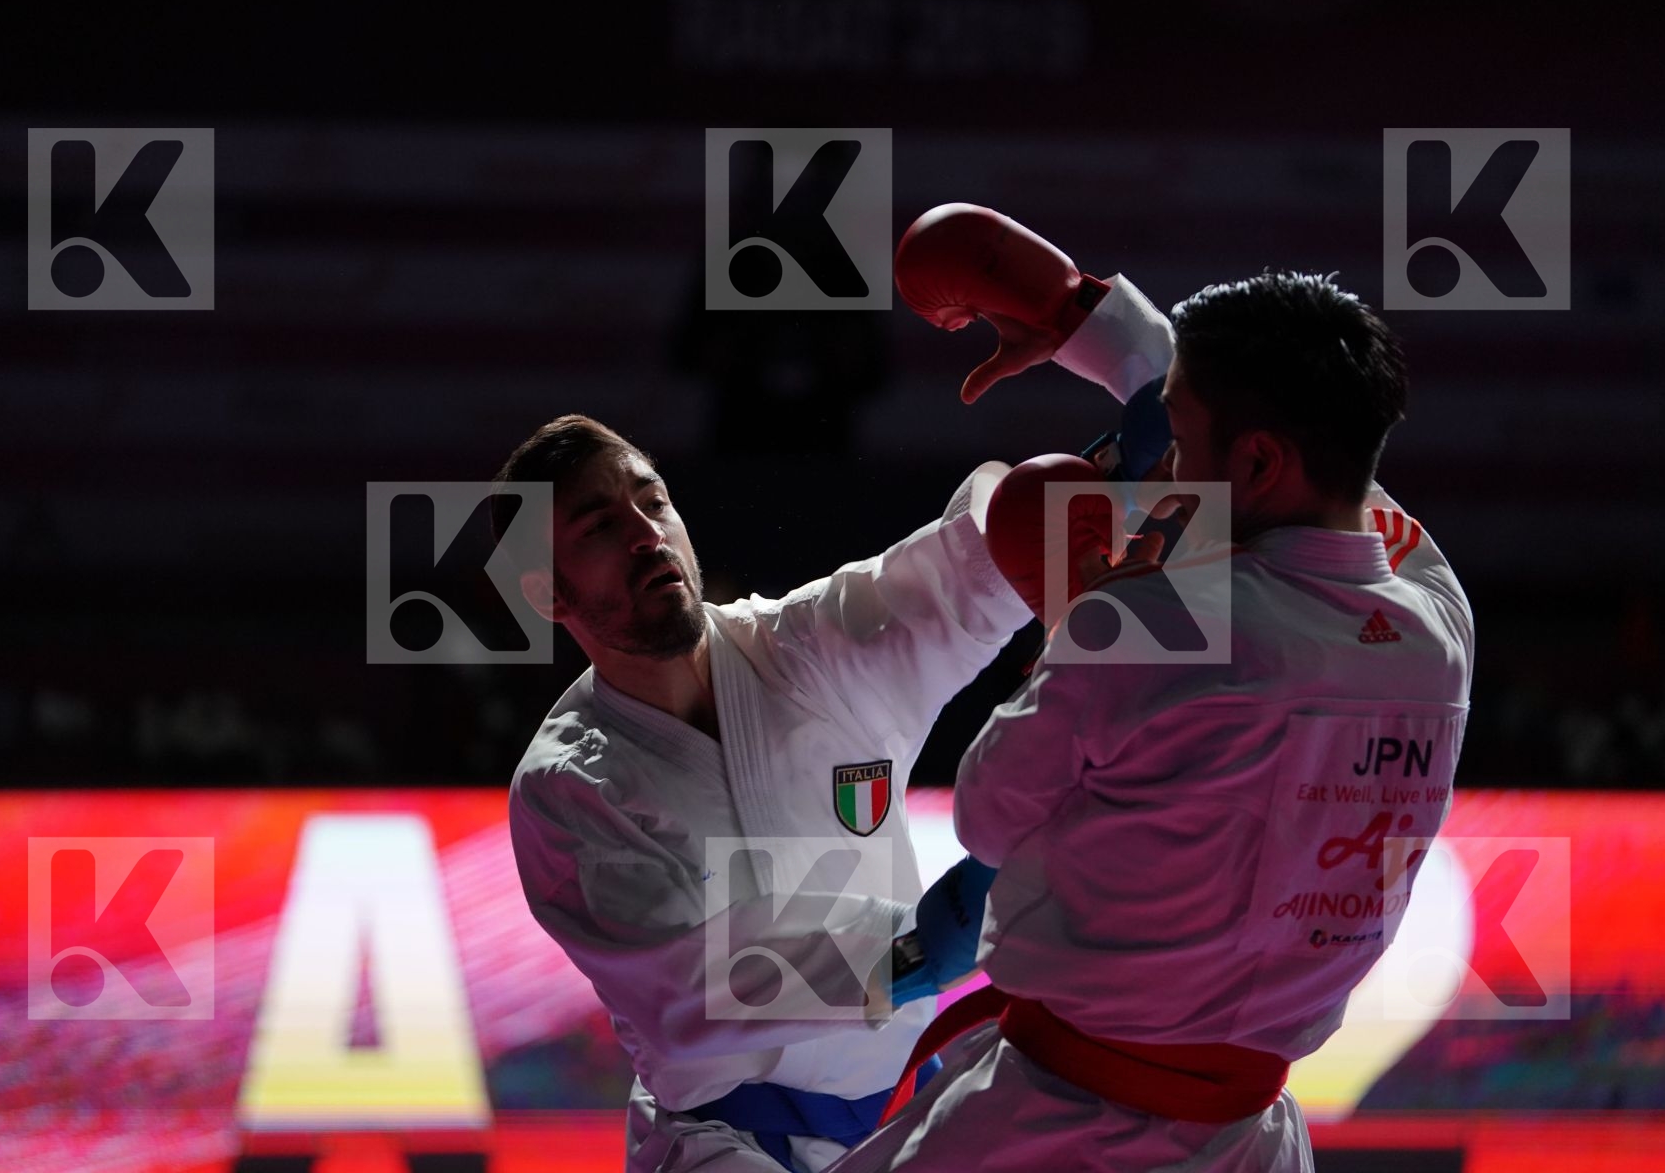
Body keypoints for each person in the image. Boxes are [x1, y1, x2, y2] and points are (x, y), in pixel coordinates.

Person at [833, 205, 1475, 1172]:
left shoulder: (1154, 621)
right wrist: (1103, 333)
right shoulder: (1440, 626)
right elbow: (1347, 493)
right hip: (1251, 1140)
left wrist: (1071, 619)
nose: (1162, 465)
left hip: (1053, 1127)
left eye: (1175, 435)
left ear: (1255, 460)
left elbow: (989, 818)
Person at [499, 414, 1034, 1172]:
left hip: (914, 1114)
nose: (645, 534)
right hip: (727, 1146)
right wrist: (913, 950)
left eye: (652, 502)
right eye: (598, 528)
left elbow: (964, 579)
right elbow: (689, 991)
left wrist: (1090, 470)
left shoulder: (807, 649)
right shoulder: (570, 789)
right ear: (548, 594)